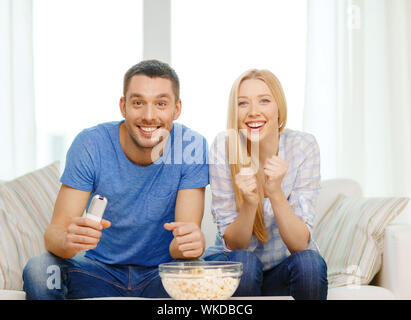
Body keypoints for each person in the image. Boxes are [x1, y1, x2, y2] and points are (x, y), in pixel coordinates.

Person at [22, 60, 209, 299]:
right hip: (97, 272)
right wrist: (69, 241)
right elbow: (54, 234)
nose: (149, 116)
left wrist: (189, 245)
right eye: (138, 103)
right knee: (39, 269)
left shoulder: (191, 146)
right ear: (123, 106)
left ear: (177, 108)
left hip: (163, 276)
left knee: (205, 272)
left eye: (161, 104)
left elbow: (181, 246)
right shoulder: (91, 144)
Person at [203, 69, 328, 300]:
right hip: (235, 262)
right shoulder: (224, 146)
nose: (253, 112)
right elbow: (234, 243)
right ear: (234, 111)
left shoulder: (303, 146)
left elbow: (300, 244)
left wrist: (275, 193)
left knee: (310, 263)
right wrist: (250, 203)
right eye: (243, 103)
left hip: (281, 270)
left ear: (278, 108)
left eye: (264, 101)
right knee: (245, 263)